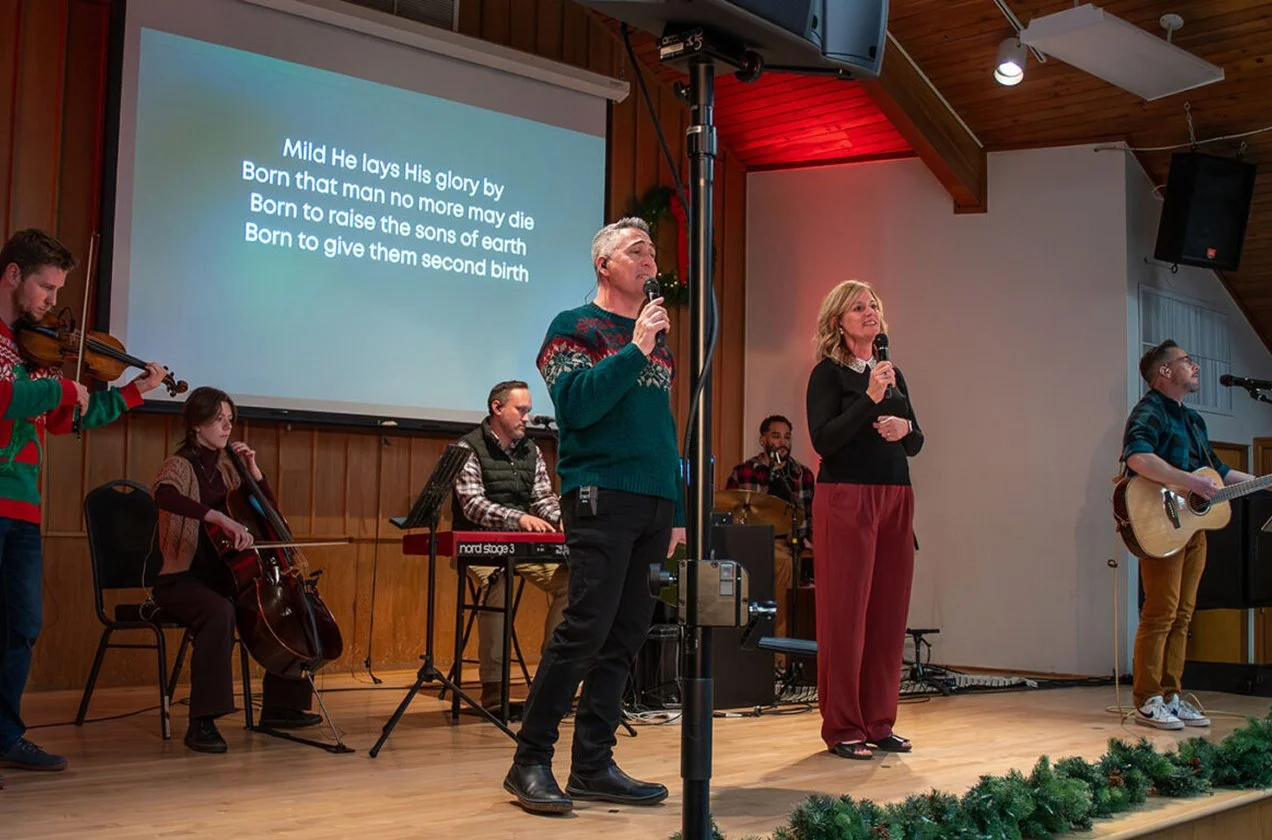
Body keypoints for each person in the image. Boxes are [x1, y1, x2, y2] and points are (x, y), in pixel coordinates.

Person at [502, 217, 684, 815]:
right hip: (600, 495)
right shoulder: (573, 328)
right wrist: (634, 348)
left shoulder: (656, 338)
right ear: (603, 264)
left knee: (627, 634)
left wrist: (676, 508)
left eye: (653, 252)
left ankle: (593, 765)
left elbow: (662, 429)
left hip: (654, 503)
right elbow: (578, 406)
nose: (650, 260)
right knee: (585, 629)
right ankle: (529, 760)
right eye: (637, 250)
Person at [0, 229, 166, 781]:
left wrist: (135, 391)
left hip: (23, 508)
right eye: (46, 288)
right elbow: (9, 399)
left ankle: (5, 736)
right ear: (13, 276)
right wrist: (60, 391)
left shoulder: (36, 351)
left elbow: (65, 418)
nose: (52, 303)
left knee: (23, 623)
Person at [152, 387, 321, 753]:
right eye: (218, 420)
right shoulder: (179, 465)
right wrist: (214, 515)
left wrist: (255, 474)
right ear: (197, 424)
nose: (227, 427)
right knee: (220, 612)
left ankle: (282, 707)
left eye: (230, 420)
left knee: (284, 607)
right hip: (182, 579)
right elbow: (164, 495)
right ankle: (202, 723)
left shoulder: (229, 469)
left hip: (227, 576)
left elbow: (270, 516)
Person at [805, 279, 922, 760]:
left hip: (896, 496)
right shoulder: (827, 375)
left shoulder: (892, 372)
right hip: (846, 497)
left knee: (887, 614)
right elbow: (824, 441)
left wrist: (907, 427)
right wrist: (870, 399)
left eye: (873, 304)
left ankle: (879, 720)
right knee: (846, 616)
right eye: (858, 307)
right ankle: (844, 726)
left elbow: (915, 443)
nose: (869, 311)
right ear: (839, 321)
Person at [1121, 340, 1258, 730]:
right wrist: (1190, 483)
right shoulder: (1149, 410)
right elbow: (1138, 457)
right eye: (1186, 361)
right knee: (1160, 613)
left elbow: (1216, 469)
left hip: (1192, 526)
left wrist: (1262, 484)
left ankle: (1172, 696)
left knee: (1182, 615)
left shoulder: (1193, 419)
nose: (1195, 366)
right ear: (1164, 372)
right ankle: (1147, 699)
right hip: (1161, 524)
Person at [451, 379, 568, 712]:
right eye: (521, 410)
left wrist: (561, 519)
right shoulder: (467, 448)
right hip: (478, 546)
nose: (527, 418)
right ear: (497, 408)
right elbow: (473, 504)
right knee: (498, 583)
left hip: (520, 546)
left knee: (572, 581)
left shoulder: (530, 450)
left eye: (529, 411)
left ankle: (552, 678)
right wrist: (517, 519)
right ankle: (494, 686)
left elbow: (543, 497)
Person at [725, 414, 816, 639]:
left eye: (787, 437)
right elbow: (728, 515)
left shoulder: (802, 474)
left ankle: (791, 648)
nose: (782, 442)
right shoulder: (744, 472)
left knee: (789, 561)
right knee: (780, 563)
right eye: (776, 436)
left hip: (789, 544)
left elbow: (812, 518)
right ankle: (770, 645)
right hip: (752, 544)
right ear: (763, 440)